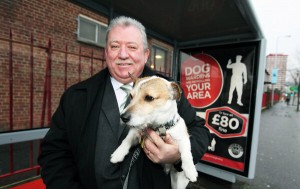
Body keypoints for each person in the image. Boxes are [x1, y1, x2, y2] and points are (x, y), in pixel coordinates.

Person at [38, 16, 211, 189]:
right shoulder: (75, 96)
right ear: (106, 52)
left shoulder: (165, 91)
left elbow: (200, 131)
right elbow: (54, 154)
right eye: (114, 46)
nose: (122, 54)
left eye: (132, 47)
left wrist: (177, 156)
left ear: (146, 54)